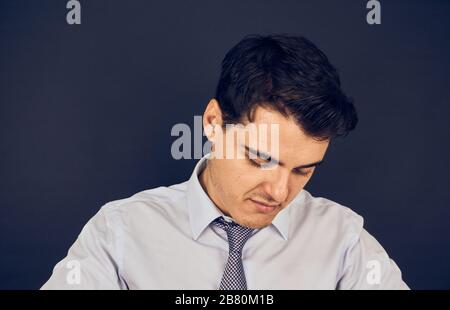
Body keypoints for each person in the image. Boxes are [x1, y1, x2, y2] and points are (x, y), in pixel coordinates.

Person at [42, 34, 409, 289]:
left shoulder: (343, 240)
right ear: (214, 123)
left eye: (303, 170)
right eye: (260, 159)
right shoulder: (118, 232)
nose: (280, 192)